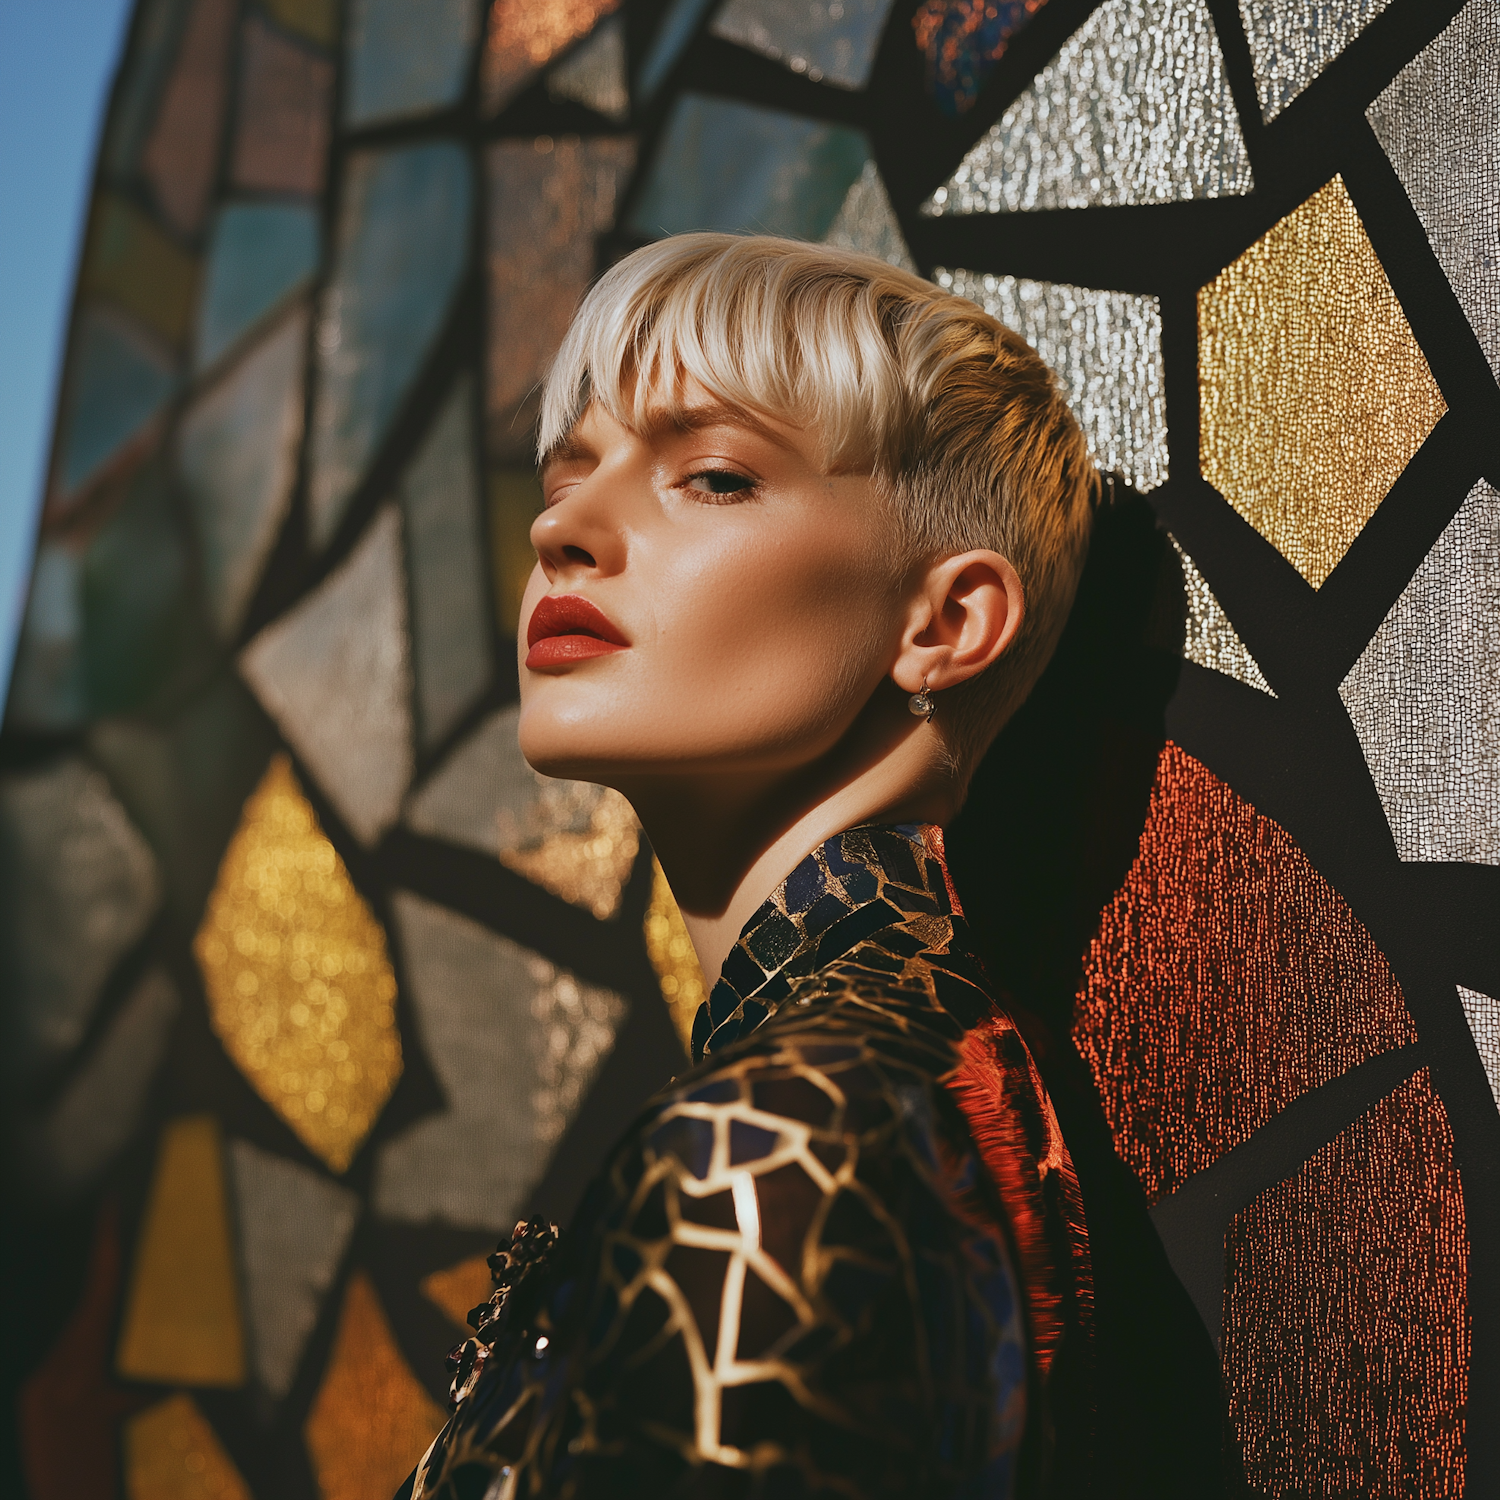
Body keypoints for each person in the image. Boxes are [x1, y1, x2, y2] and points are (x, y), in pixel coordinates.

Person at [399, 233, 1099, 1500]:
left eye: (712, 476)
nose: (563, 526)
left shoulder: (777, 1144)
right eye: (571, 473)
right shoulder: (887, 1078)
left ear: (945, 623)